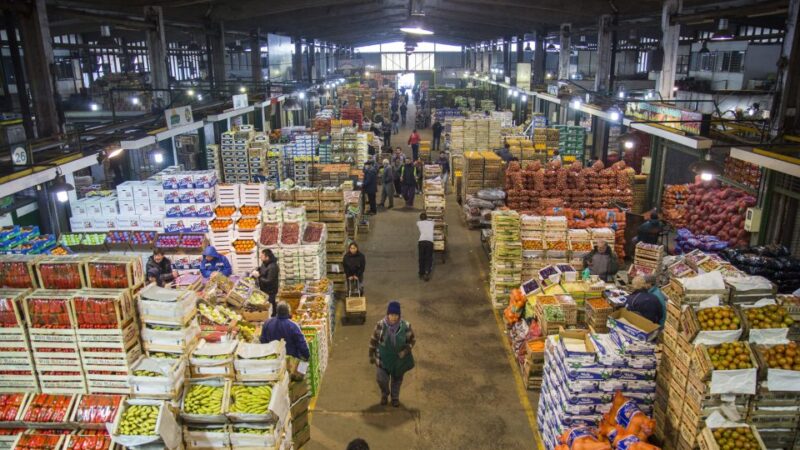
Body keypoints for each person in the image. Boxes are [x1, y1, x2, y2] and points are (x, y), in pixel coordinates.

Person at [369, 301, 416, 407]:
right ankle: (384, 393)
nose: (393, 317)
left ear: (399, 315)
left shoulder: (406, 326)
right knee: (381, 379)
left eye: (396, 315)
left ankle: (395, 397)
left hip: (399, 360)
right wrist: (371, 354)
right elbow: (373, 340)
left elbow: (412, 341)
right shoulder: (380, 325)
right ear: (387, 314)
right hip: (382, 359)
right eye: (391, 314)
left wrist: (405, 351)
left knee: (397, 380)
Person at [252, 249, 279, 317]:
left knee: (270, 305)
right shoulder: (265, 262)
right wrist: (257, 269)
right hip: (264, 289)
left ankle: (273, 316)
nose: (260, 256)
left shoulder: (273, 267)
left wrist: (258, 277)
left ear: (267, 257)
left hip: (270, 291)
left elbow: (269, 281)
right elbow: (262, 268)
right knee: (268, 304)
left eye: (262, 255)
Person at [417, 213, 435, 281]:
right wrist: (430, 219)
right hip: (429, 242)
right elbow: (432, 220)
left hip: (421, 241)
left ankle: (421, 272)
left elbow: (422, 221)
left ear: (420, 218)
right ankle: (427, 272)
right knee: (428, 258)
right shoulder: (431, 223)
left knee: (421, 257)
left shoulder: (418, 223)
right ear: (426, 218)